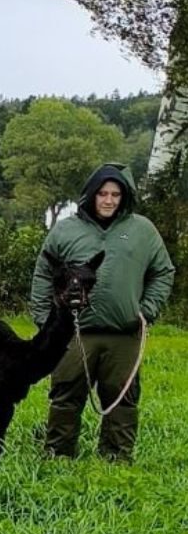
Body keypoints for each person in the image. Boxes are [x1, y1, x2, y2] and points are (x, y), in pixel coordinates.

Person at [36, 164, 175, 461]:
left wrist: (147, 309)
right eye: (102, 194)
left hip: (124, 334)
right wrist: (43, 318)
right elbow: (43, 273)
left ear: (124, 197)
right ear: (91, 195)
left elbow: (163, 272)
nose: (109, 200)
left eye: (115, 194)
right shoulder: (66, 229)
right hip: (73, 334)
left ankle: (116, 458)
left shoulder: (143, 231)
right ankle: (57, 454)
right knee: (64, 396)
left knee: (122, 399)